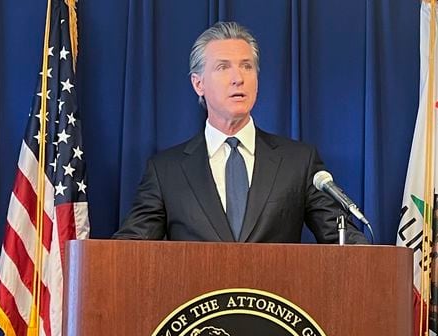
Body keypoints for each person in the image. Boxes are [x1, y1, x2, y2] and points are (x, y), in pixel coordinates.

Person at [114, 21, 366, 244]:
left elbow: (345, 241)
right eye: (223, 67)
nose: (238, 78)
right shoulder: (166, 171)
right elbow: (127, 252)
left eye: (246, 66)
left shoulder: (298, 162)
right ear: (198, 84)